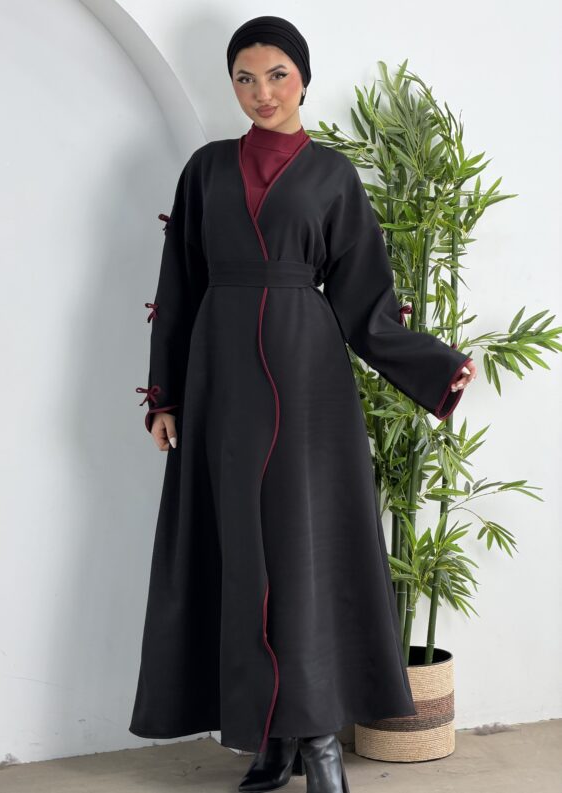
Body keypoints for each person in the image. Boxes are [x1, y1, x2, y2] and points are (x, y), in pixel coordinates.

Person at [129, 15, 476, 793]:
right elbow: (177, 288)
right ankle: (267, 739)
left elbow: (366, 304)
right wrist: (164, 396)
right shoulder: (205, 171)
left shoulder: (332, 176)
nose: (262, 92)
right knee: (239, 553)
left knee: (299, 554)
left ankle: (315, 738)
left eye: (277, 74)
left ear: (304, 79)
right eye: (245, 78)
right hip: (220, 383)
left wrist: (440, 370)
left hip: (308, 383)